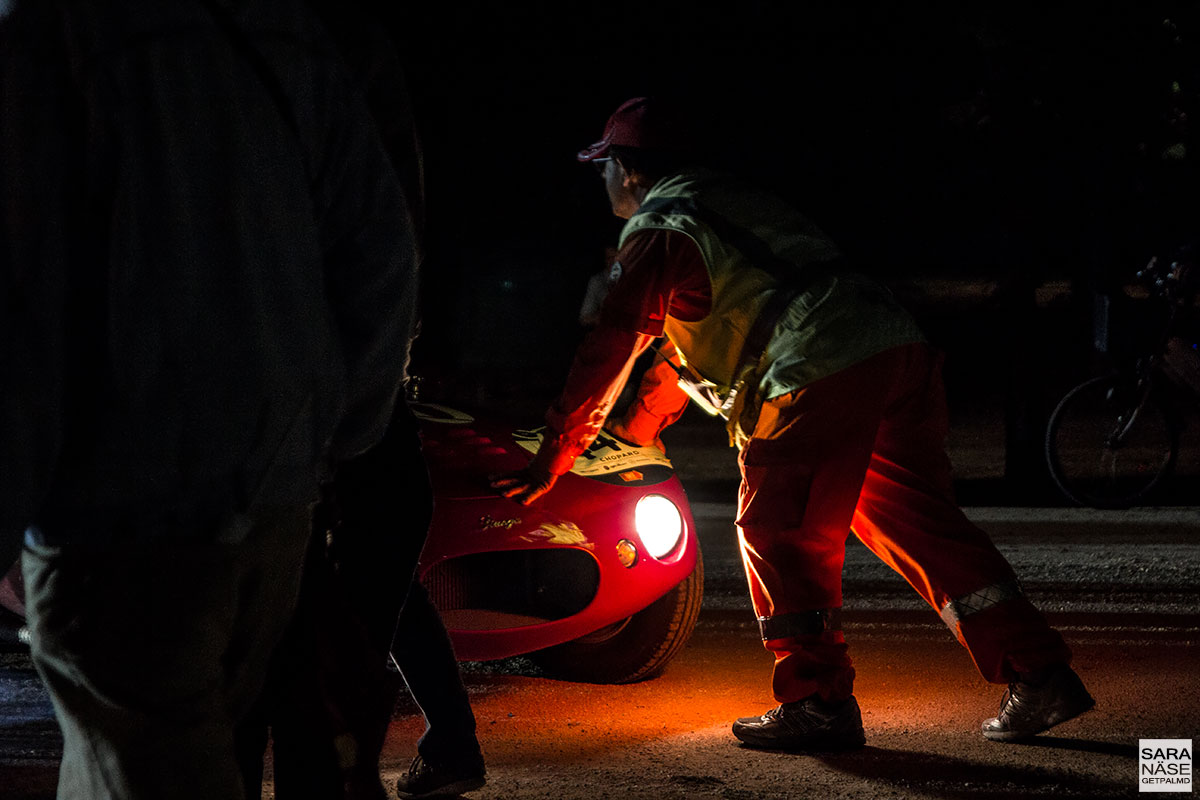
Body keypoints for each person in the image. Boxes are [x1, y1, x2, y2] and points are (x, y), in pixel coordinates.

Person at [491, 96, 1095, 750]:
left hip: (815, 369)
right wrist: (633, 440)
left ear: (629, 170)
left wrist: (556, 457)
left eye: (603, 166)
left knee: (778, 530)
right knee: (920, 527)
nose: (601, 180)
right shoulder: (730, 205)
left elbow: (611, 348)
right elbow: (675, 354)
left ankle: (818, 703)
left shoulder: (660, 226)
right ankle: (1039, 674)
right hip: (892, 350)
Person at [0, 1, 419, 798]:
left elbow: (22, 316)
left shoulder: (45, 42)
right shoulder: (281, 35)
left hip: (117, 530)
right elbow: (381, 257)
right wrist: (323, 442)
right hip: (272, 510)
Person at [233, 4, 485, 798]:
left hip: (270, 440)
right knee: (339, 673)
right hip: (348, 432)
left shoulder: (182, 57)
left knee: (232, 699)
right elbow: (385, 258)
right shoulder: (335, 50)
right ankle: (445, 747)